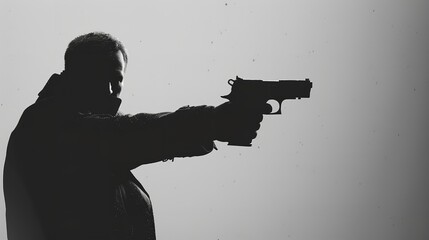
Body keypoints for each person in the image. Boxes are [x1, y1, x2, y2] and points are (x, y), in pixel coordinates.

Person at [3, 32, 268, 240]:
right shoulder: (45, 122)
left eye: (117, 79)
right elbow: (123, 137)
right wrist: (212, 122)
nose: (110, 89)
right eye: (99, 75)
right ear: (72, 74)